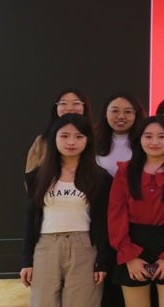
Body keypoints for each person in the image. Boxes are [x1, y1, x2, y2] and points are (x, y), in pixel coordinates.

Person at [21, 113, 113, 307]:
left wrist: (102, 260)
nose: (71, 142)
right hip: (46, 247)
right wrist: (26, 261)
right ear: (54, 139)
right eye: (64, 136)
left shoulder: (100, 178)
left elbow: (104, 221)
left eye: (79, 136)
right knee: (42, 302)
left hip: (85, 246)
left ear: (87, 141)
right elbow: (30, 218)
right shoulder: (37, 176)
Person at [108, 117, 164, 307]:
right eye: (148, 136)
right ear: (139, 139)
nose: (155, 142)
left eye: (162, 136)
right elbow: (116, 214)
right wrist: (129, 256)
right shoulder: (125, 171)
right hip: (132, 245)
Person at [26, 88, 95, 173]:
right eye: (63, 103)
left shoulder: (98, 138)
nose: (69, 108)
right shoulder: (42, 141)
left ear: (85, 107)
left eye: (76, 103)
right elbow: (30, 175)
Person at [96, 92, 148, 177]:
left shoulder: (147, 142)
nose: (121, 116)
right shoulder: (93, 140)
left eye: (128, 112)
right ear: (105, 113)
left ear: (136, 114)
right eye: (115, 111)